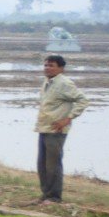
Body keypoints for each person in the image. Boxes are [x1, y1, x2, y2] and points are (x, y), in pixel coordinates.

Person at [37, 53, 88, 203]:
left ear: (61, 68)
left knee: (53, 165)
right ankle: (45, 194)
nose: (47, 68)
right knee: (42, 164)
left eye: (51, 65)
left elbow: (83, 100)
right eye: (46, 65)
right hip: (44, 127)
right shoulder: (47, 82)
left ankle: (54, 197)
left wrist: (67, 119)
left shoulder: (64, 83)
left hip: (56, 130)